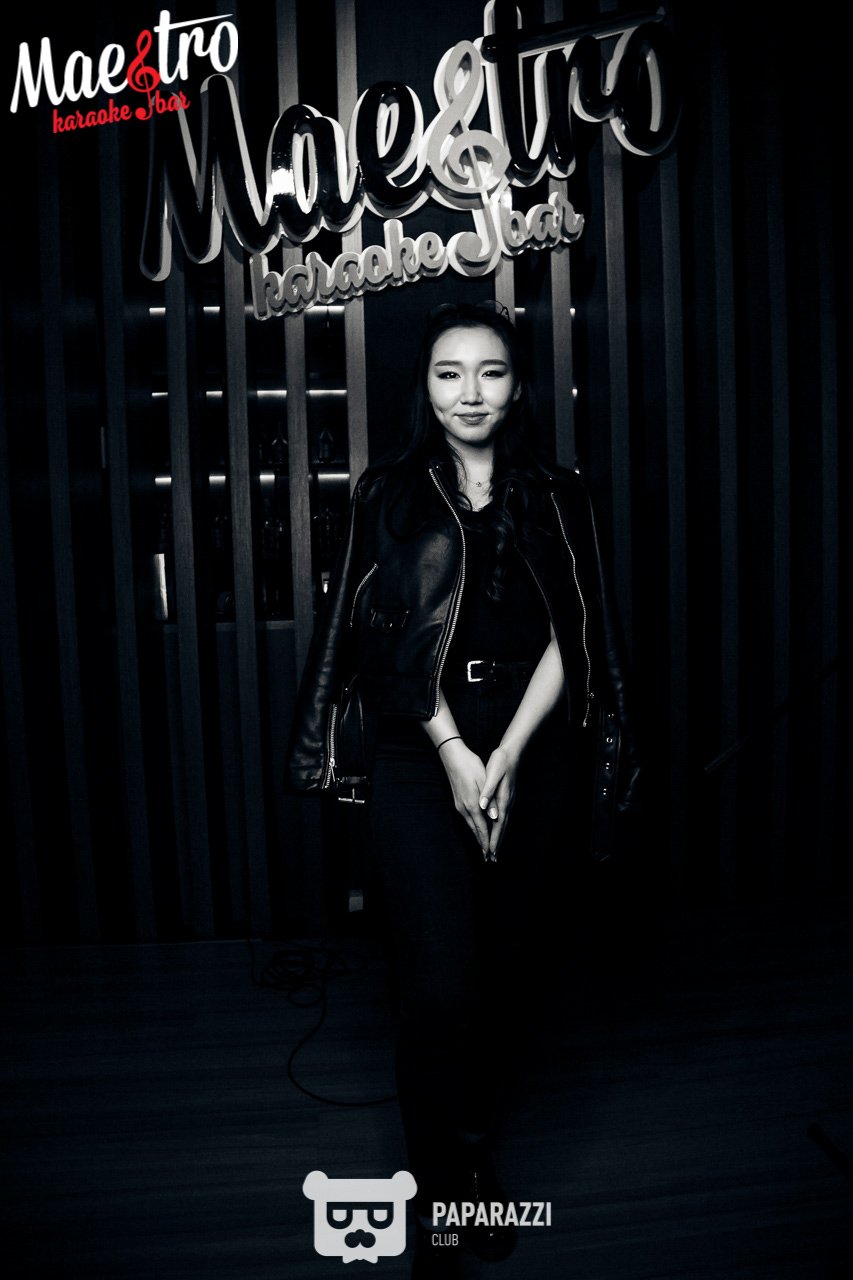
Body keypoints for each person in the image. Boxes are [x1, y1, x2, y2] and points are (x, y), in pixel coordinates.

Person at [287, 300, 641, 1277]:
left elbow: (578, 635)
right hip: (418, 749)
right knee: (438, 991)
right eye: (450, 373)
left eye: (490, 372)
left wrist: (511, 752)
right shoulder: (389, 492)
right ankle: (445, 1194)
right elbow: (373, 638)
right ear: (427, 386)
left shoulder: (561, 495)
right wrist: (452, 748)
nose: (470, 393)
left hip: (535, 748)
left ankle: (476, 1162)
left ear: (517, 386)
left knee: (503, 978)